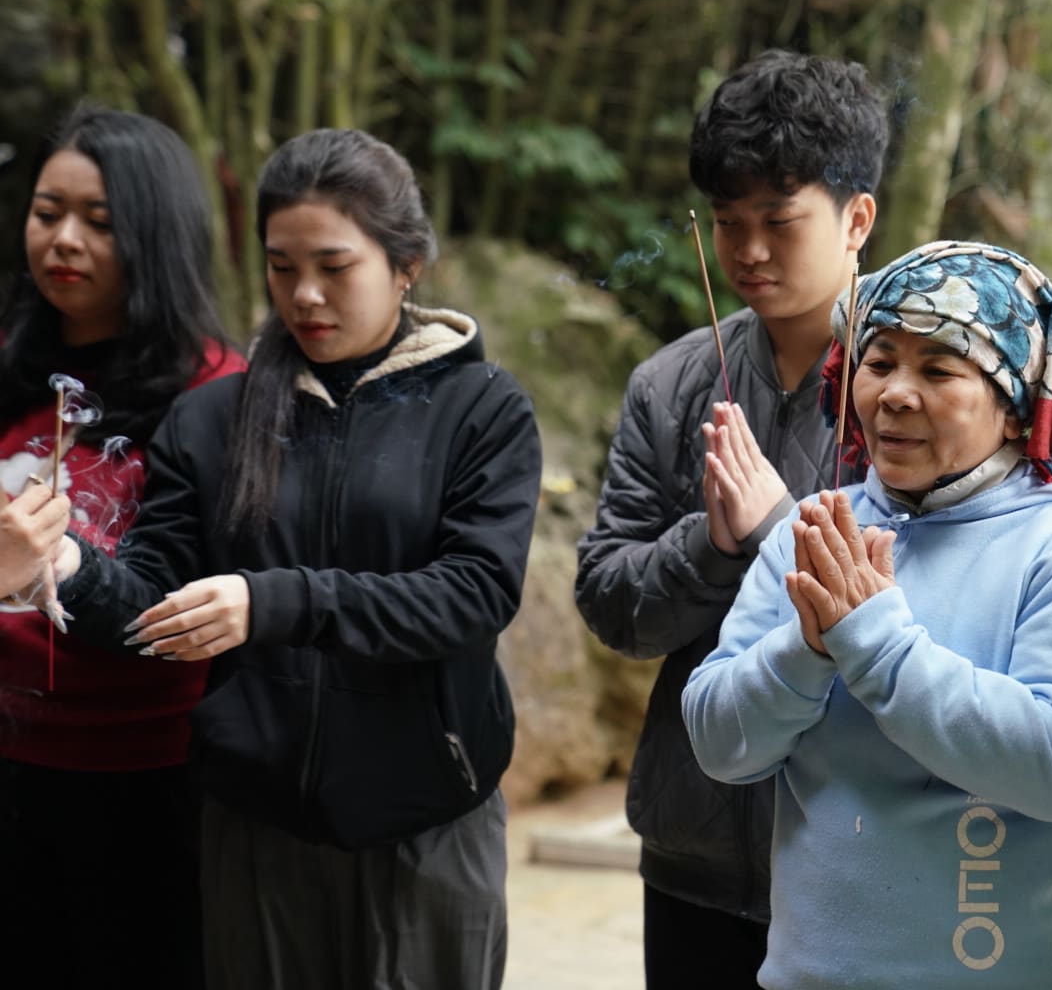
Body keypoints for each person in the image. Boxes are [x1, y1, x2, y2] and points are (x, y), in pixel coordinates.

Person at [35, 128, 542, 990]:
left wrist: (270, 602)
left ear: (408, 264)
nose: (304, 295)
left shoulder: (482, 410)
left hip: (427, 820)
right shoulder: (212, 419)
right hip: (255, 822)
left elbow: (474, 594)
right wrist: (64, 567)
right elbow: (154, 604)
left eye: (334, 266)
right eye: (280, 267)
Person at [683, 241, 1052, 989]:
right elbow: (718, 742)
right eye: (879, 363)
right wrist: (803, 652)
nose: (896, 393)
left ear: (1012, 407)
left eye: (938, 369)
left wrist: (873, 643)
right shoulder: (816, 531)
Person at [574, 49, 887, 987]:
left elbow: (942, 606)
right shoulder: (671, 386)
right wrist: (708, 542)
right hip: (695, 851)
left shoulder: (922, 389)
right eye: (727, 223)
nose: (747, 252)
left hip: (866, 851)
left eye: (779, 222)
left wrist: (775, 528)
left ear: (857, 217)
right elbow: (612, 608)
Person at [0, 105, 243, 990]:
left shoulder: (218, 393)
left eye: (99, 222)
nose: (62, 239)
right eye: (46, 210)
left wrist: (51, 565)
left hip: (153, 775)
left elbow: (187, 599)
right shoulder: (8, 367)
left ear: (155, 231)